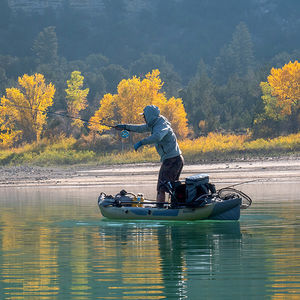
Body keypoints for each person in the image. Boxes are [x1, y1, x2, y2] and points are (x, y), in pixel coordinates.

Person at [115, 105, 184, 207]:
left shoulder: (162, 126)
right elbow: (140, 128)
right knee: (172, 186)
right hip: (176, 159)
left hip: (171, 160)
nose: (144, 118)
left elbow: (157, 137)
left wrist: (141, 142)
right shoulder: (155, 123)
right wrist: (125, 127)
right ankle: (175, 206)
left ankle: (160, 209)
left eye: (144, 116)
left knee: (161, 187)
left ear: (150, 115)